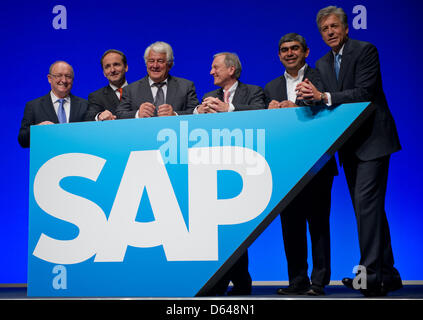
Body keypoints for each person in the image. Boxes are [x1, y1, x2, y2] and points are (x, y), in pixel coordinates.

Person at [297, 6, 402, 297]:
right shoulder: (322, 63)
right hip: (350, 146)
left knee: (367, 207)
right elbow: (319, 97)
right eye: (324, 29)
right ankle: (388, 273)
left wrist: (324, 96)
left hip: (374, 141)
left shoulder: (365, 50)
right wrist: (305, 97)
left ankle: (369, 277)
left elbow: (364, 93)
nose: (329, 32)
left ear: (345, 28)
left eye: (334, 27)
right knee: (368, 209)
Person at [264, 33, 337, 296]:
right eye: (284, 49)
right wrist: (270, 113)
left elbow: (332, 112)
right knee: (290, 225)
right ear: (279, 55)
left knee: (318, 223)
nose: (289, 53)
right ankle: (297, 280)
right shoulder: (270, 87)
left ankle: (319, 281)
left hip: (318, 162)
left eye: (295, 48)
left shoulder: (322, 77)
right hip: (286, 166)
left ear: (306, 52)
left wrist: (295, 107)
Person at [196, 52, 266, 296]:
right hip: (214, 171)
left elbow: (260, 113)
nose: (211, 72)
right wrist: (199, 115)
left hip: (244, 171)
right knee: (218, 231)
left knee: (237, 229)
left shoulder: (254, 92)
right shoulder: (208, 97)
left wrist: (229, 109)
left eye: (215, 67)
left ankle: (241, 282)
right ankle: (220, 281)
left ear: (231, 70)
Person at [116, 41, 199, 119]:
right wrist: (138, 114)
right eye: (151, 61)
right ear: (146, 64)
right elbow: (119, 114)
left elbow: (196, 113)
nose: (155, 65)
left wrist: (175, 115)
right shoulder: (130, 90)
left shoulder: (186, 86)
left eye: (160, 61)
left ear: (169, 64)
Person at [18, 61, 88, 148]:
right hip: (47, 160)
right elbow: (22, 141)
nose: (64, 80)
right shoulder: (33, 106)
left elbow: (91, 136)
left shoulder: (85, 105)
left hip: (77, 158)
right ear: (49, 78)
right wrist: (37, 129)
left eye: (68, 76)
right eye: (59, 75)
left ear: (73, 80)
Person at [85, 49, 129, 121]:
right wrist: (99, 116)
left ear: (126, 67)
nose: (112, 70)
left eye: (116, 64)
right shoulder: (96, 97)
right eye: (107, 67)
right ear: (104, 73)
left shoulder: (138, 91)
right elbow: (90, 117)